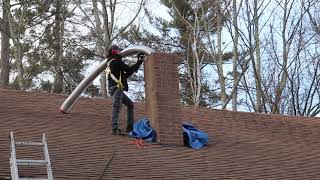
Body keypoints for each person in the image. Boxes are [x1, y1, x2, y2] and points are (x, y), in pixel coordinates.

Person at [106, 45, 145, 135]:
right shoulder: (116, 61)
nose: (120, 52)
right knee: (116, 107)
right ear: (114, 51)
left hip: (114, 87)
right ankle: (114, 129)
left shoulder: (111, 62)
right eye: (118, 50)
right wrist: (139, 62)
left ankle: (129, 127)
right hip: (117, 88)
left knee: (130, 104)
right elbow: (128, 69)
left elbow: (125, 75)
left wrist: (138, 64)